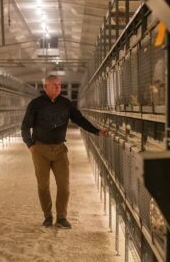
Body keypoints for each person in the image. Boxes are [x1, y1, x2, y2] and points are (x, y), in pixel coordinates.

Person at [21, 75, 108, 229]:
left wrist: (97, 131)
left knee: (64, 186)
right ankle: (48, 217)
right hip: (40, 149)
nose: (58, 87)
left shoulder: (66, 103)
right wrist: (30, 145)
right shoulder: (35, 104)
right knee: (43, 185)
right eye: (54, 85)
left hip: (60, 149)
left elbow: (80, 119)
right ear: (45, 87)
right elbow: (25, 126)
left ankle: (61, 217)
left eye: (59, 85)